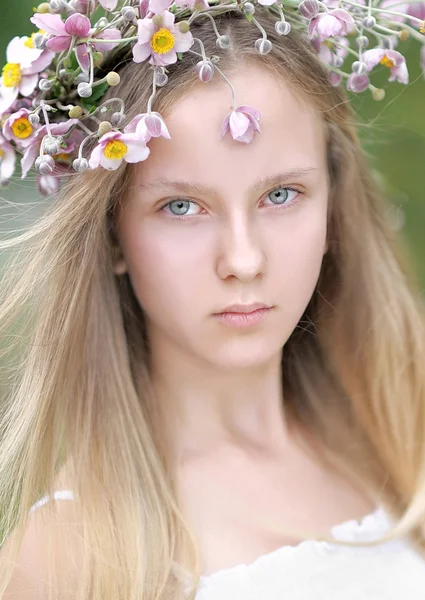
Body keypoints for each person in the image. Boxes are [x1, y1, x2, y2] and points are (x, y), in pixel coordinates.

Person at [0, 0, 425, 598]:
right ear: (113, 235)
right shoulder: (70, 552)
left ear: (334, 205)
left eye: (281, 195)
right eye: (181, 206)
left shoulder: (398, 443)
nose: (244, 260)